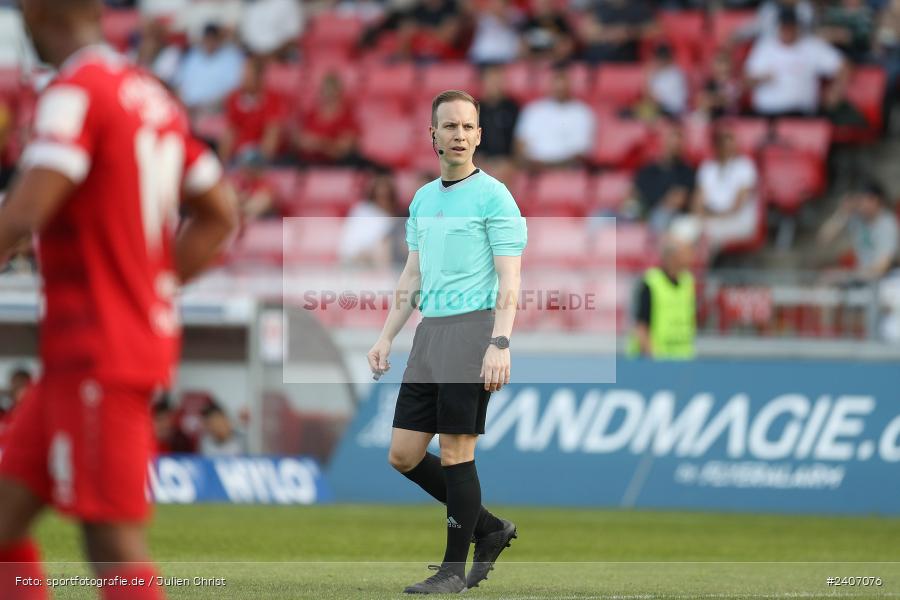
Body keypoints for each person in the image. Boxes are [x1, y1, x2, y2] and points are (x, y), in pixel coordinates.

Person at [0, 2, 237, 599]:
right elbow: (219, 213)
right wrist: (151, 285)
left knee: (110, 541)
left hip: (96, 352)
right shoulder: (148, 94)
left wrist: (133, 291)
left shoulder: (75, 90)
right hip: (88, 354)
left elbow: (26, 213)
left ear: (38, 11)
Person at [366, 90, 526, 593]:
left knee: (458, 452)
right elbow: (411, 276)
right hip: (429, 334)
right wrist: (386, 336)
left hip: (473, 329)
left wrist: (500, 342)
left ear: (479, 135)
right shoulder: (422, 199)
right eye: (449, 126)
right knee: (403, 455)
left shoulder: (494, 196)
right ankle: (489, 528)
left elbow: (510, 281)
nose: (458, 135)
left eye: (467, 127)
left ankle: (453, 571)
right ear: (432, 135)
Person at [744, 8, 849, 118]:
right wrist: (760, 79)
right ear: (778, 27)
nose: (788, 30)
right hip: (767, 113)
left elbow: (844, 66)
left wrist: (836, 90)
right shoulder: (765, 47)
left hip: (802, 115)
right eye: (785, 27)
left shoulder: (812, 46)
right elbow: (746, 81)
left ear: (798, 27)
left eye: (791, 26)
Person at [628, 227, 697, 359]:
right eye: (686, 252)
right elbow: (641, 327)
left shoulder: (688, 282)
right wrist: (655, 358)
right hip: (656, 364)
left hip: (682, 362)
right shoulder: (651, 283)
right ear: (672, 257)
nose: (691, 256)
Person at [692, 125, 760, 251]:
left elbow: (738, 204)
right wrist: (701, 215)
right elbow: (698, 199)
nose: (728, 146)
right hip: (710, 218)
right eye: (723, 142)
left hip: (736, 220)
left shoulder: (745, 166)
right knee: (682, 227)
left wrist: (715, 217)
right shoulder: (707, 167)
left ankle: (698, 269)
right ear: (717, 145)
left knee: (704, 236)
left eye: (731, 141)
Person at [817, 181, 899, 285]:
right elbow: (823, 238)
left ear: (875, 200)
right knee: (824, 282)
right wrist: (842, 213)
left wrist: (846, 276)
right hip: (863, 278)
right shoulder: (857, 218)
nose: (860, 204)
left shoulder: (887, 224)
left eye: (863, 199)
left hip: (886, 282)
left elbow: (881, 268)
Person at [514, 66, 595, 168]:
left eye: (563, 84)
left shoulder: (582, 112)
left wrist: (551, 167)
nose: (560, 88)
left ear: (570, 85)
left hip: (567, 170)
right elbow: (520, 144)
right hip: (534, 168)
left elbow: (581, 153)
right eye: (556, 83)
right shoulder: (533, 110)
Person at [219, 57, 283, 165]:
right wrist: (222, 161)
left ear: (259, 77)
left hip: (260, 160)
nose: (243, 79)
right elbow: (230, 133)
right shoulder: (234, 98)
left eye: (248, 75)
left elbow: (272, 133)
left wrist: (259, 162)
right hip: (238, 157)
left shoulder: (273, 99)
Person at [633, 127, 694, 234]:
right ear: (663, 142)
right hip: (643, 211)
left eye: (678, 144)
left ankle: (651, 250)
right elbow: (633, 193)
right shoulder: (648, 169)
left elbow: (677, 201)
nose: (674, 147)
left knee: (659, 217)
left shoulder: (686, 172)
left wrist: (649, 207)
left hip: (667, 216)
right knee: (604, 216)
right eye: (671, 142)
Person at [173, 23, 244, 112]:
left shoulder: (231, 56)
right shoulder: (193, 56)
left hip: (216, 109)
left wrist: (208, 106)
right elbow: (179, 84)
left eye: (213, 39)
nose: (210, 43)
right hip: (189, 108)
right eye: (207, 39)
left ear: (219, 39)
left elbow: (235, 90)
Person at [339, 173, 405, 269]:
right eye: (379, 196)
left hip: (380, 260)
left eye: (387, 197)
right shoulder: (362, 211)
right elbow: (348, 242)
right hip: (356, 257)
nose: (383, 200)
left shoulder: (395, 219)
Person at [293, 72, 360, 166]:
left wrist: (318, 143)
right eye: (325, 91)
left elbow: (343, 151)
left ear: (340, 94)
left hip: (332, 166)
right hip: (306, 163)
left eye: (332, 92)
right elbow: (299, 141)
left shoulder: (348, 119)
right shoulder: (310, 114)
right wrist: (297, 140)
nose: (328, 96)